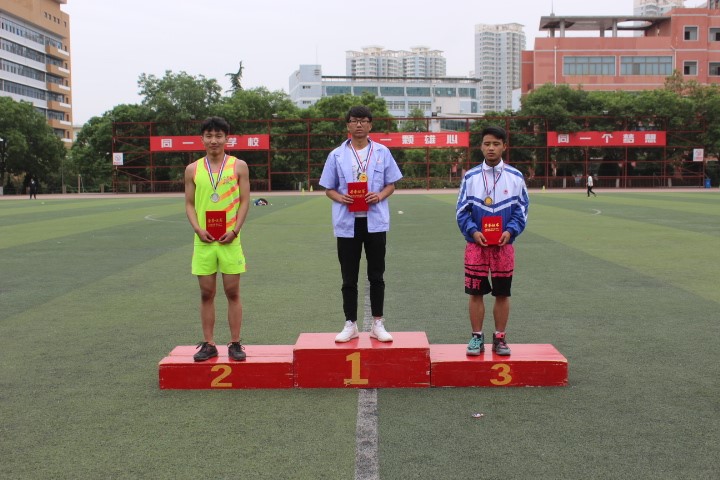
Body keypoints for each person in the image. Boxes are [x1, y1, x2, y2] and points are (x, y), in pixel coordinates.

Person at [319, 106, 403, 343]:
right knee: (349, 277)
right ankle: (350, 324)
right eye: (354, 120)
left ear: (370, 125)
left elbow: (391, 184)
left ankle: (378, 323)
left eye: (363, 120)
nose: (359, 124)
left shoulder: (382, 152)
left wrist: (379, 195)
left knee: (377, 274)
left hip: (375, 222)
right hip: (348, 223)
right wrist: (341, 198)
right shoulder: (336, 155)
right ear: (348, 125)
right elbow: (328, 188)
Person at [456, 126, 529, 356]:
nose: (491, 148)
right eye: (487, 144)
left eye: (496, 144)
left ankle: (500, 338)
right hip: (476, 245)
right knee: (475, 292)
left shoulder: (515, 177)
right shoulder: (470, 177)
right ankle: (476, 337)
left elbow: (522, 209)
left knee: (502, 293)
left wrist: (511, 231)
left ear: (504, 146)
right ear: (481, 146)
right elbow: (461, 211)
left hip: (504, 246)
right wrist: (473, 232)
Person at [184, 116, 250, 362]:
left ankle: (235, 342)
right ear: (202, 139)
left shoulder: (239, 166)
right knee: (206, 293)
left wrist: (235, 230)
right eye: (209, 136)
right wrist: (197, 229)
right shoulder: (193, 169)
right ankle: (209, 343)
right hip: (204, 240)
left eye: (219, 136)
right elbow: (189, 204)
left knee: (232, 292)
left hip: (230, 239)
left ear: (226, 139)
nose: (214, 140)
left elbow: (245, 201)